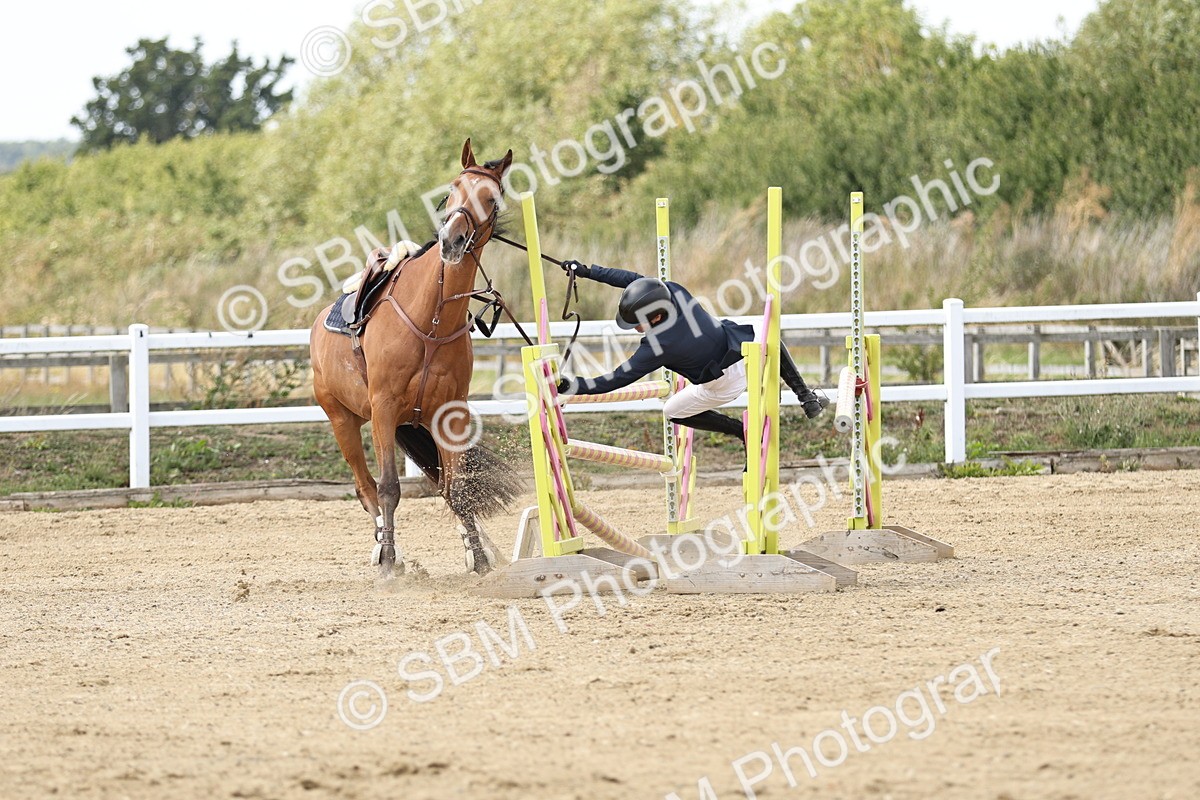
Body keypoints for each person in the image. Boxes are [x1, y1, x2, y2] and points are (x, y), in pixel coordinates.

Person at [556, 260, 827, 442]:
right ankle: (806, 397)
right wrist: (587, 271)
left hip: (723, 384)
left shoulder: (659, 346)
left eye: (636, 323)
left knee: (672, 412)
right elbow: (632, 280)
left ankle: (742, 432)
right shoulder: (671, 291)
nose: (634, 327)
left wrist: (573, 386)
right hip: (738, 348)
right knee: (768, 335)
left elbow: (614, 380)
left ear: (656, 317)